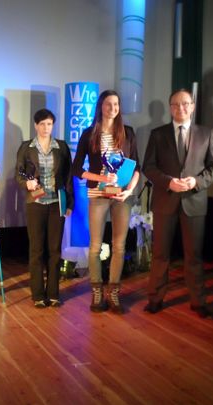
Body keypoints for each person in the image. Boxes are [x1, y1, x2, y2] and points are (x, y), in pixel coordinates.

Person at [142, 89, 213, 319]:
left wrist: (196, 182)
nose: (181, 108)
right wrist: (169, 182)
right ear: (170, 108)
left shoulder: (206, 134)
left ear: (193, 106)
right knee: (160, 254)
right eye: (176, 104)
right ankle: (155, 299)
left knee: (194, 255)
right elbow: (148, 167)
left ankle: (199, 302)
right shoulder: (158, 134)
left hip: (194, 203)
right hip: (164, 202)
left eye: (185, 103)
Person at [72, 90, 140, 314]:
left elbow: (136, 167)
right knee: (95, 245)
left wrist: (129, 190)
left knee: (119, 246)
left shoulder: (128, 132)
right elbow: (76, 169)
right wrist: (101, 178)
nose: (113, 108)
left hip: (121, 196)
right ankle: (97, 292)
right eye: (108, 104)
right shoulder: (89, 133)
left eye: (116, 104)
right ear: (100, 106)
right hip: (97, 195)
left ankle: (114, 292)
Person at [15, 109, 73, 308]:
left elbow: (68, 177)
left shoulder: (61, 147)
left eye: (49, 124)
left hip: (57, 203)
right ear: (35, 125)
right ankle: (38, 295)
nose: (46, 128)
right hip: (36, 204)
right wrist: (27, 183)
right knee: (37, 250)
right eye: (42, 124)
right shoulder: (27, 147)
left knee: (55, 250)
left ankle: (54, 293)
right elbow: (18, 174)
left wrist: (70, 203)